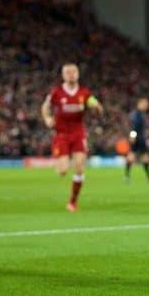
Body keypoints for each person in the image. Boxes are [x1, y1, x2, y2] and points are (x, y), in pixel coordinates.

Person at [41, 63, 103, 211]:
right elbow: (45, 107)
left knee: (79, 168)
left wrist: (97, 108)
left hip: (78, 134)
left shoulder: (84, 93)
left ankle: (72, 202)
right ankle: (60, 161)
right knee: (63, 171)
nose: (71, 74)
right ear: (63, 75)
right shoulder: (57, 92)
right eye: (67, 72)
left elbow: (98, 109)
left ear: (78, 74)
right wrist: (47, 119)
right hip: (61, 134)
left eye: (73, 71)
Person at [125, 97, 149, 183]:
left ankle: (127, 177)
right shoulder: (137, 114)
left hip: (139, 138)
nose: (147, 106)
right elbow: (134, 126)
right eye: (145, 104)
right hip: (139, 139)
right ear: (140, 103)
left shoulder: (140, 114)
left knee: (133, 155)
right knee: (144, 157)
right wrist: (133, 136)